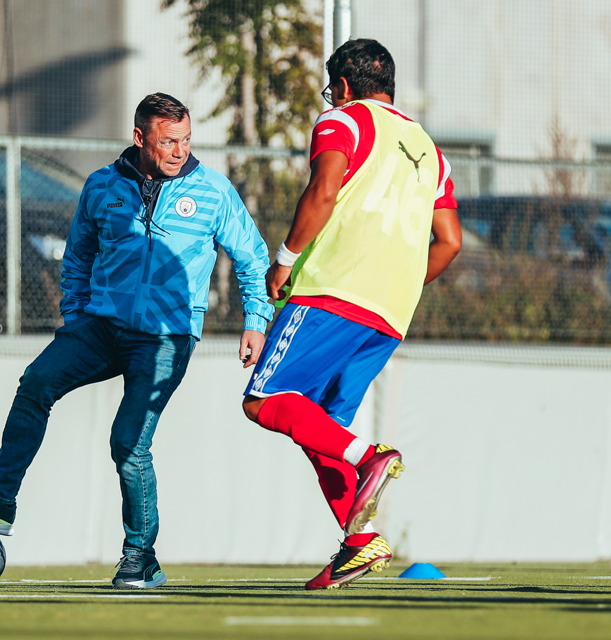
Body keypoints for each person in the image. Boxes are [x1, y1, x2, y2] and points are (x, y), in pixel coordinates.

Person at [0, 93, 273, 589]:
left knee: (128, 443)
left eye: (185, 140)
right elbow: (77, 257)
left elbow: (252, 257)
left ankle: (141, 558)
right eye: (168, 141)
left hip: (166, 338)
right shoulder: (101, 186)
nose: (179, 151)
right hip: (100, 327)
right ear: (139, 137)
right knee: (36, 382)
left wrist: (257, 320)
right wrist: (76, 317)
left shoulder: (213, 191)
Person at [241, 39, 462, 590]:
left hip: (331, 292)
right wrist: (398, 284)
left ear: (341, 85)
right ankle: (360, 543)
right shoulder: (431, 151)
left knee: (263, 400)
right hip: (390, 314)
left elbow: (324, 189)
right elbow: (450, 241)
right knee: (320, 430)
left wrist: (284, 258)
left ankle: (370, 457)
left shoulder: (343, 121)